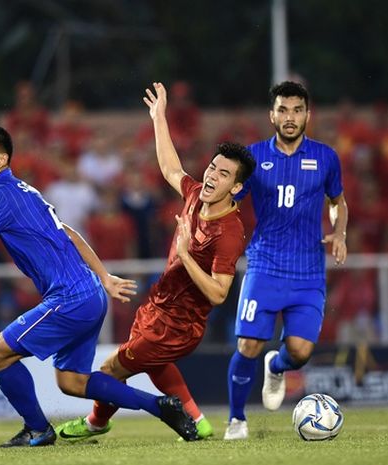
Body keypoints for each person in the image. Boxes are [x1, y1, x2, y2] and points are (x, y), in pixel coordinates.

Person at [0, 124, 198, 447]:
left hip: (70, 297)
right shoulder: (25, 190)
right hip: (90, 295)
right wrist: (104, 277)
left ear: (2, 160)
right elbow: (68, 232)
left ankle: (37, 429)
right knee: (72, 381)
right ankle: (160, 405)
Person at [55, 82, 256, 441]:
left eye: (224, 174)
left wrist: (184, 256)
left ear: (237, 188)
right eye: (213, 167)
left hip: (179, 325)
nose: (211, 176)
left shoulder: (228, 233)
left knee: (110, 370)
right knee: (155, 366)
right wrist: (158, 117)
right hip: (159, 307)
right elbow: (169, 168)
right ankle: (198, 420)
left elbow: (219, 294)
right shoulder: (197, 195)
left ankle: (95, 423)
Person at [224, 81, 348, 440]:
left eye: (297, 110)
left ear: (308, 114)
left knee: (299, 351)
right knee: (248, 344)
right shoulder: (252, 158)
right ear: (272, 115)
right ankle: (236, 420)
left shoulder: (326, 157)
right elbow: (229, 199)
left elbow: (337, 202)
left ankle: (276, 367)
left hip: (308, 270)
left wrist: (339, 233)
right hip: (264, 264)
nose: (290, 117)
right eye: (283, 110)